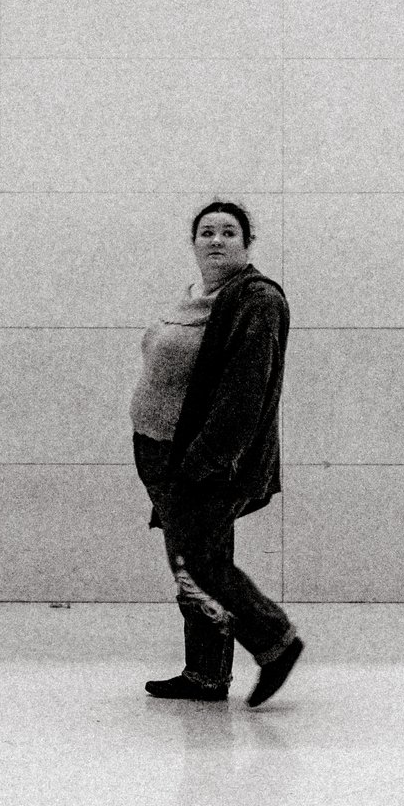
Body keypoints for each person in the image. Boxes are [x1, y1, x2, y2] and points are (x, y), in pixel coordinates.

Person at [128, 199, 302, 706]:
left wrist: (203, 462)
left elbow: (246, 393)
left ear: (247, 243)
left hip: (205, 461)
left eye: (229, 232)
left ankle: (274, 641)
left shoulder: (256, 300)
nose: (217, 240)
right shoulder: (193, 298)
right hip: (160, 451)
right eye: (207, 232)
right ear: (193, 243)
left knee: (199, 562)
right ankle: (205, 675)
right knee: (191, 563)